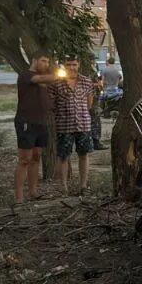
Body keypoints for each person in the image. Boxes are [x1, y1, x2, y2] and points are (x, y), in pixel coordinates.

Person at [14, 51, 58, 204]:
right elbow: (42, 78)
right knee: (24, 159)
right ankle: (19, 196)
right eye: (43, 61)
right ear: (34, 60)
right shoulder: (26, 75)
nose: (46, 64)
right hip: (26, 121)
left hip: (42, 122)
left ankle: (33, 192)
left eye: (47, 62)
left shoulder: (43, 83)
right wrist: (60, 74)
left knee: (36, 157)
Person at [51, 57, 96, 194]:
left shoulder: (86, 81)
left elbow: (89, 103)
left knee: (84, 155)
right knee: (64, 156)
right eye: (68, 64)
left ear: (79, 65)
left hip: (83, 124)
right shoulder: (56, 83)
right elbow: (52, 104)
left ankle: (83, 186)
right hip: (64, 125)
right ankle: (64, 187)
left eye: (74, 64)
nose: (72, 67)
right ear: (64, 66)